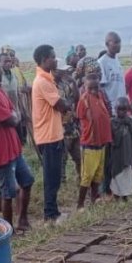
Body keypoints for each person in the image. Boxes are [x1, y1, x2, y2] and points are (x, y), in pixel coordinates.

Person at [0, 55, 34, 230]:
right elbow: (11, 119)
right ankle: (8, 229)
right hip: (1, 151)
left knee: (27, 181)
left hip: (14, 147)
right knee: (8, 192)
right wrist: (14, 116)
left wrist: (14, 116)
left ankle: (23, 220)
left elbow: (14, 113)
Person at [32, 45, 69, 224]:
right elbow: (61, 106)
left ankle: (53, 211)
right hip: (48, 136)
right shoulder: (43, 81)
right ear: (44, 59)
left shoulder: (47, 79)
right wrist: (67, 103)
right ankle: (50, 214)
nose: (55, 60)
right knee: (51, 177)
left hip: (53, 134)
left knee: (54, 176)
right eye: (53, 57)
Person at [76, 59, 113, 209]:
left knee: (98, 173)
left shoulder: (101, 96)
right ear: (85, 83)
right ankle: (80, 205)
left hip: (101, 142)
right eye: (91, 79)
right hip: (89, 144)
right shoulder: (83, 100)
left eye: (97, 79)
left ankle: (94, 199)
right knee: (87, 176)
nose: (95, 84)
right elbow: (81, 119)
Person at [55, 60, 82, 181]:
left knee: (78, 156)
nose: (66, 72)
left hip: (71, 124)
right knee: (62, 158)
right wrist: (69, 102)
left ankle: (80, 178)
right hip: (60, 126)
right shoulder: (52, 86)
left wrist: (73, 83)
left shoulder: (65, 83)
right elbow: (63, 105)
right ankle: (62, 182)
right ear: (55, 71)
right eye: (63, 70)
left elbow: (76, 98)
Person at [109, 97, 132, 200]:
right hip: (117, 153)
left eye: (124, 109)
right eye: (119, 109)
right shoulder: (112, 122)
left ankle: (125, 195)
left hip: (127, 152)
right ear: (115, 109)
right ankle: (116, 195)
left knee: (126, 173)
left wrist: (128, 123)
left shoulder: (129, 120)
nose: (122, 112)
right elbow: (111, 137)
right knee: (117, 174)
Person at [99, 32, 126, 104]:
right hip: (111, 106)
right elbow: (101, 88)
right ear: (107, 44)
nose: (119, 45)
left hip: (121, 106)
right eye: (116, 42)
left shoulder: (117, 60)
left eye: (119, 42)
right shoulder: (102, 62)